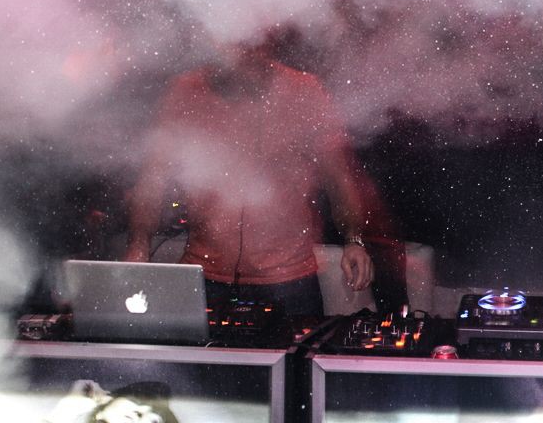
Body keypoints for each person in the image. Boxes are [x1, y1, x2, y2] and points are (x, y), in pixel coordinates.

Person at [124, 37, 373, 316]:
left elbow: (338, 177)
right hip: (205, 276)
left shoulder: (304, 90)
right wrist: (138, 245)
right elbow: (153, 178)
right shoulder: (185, 91)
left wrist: (354, 240)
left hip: (289, 280)